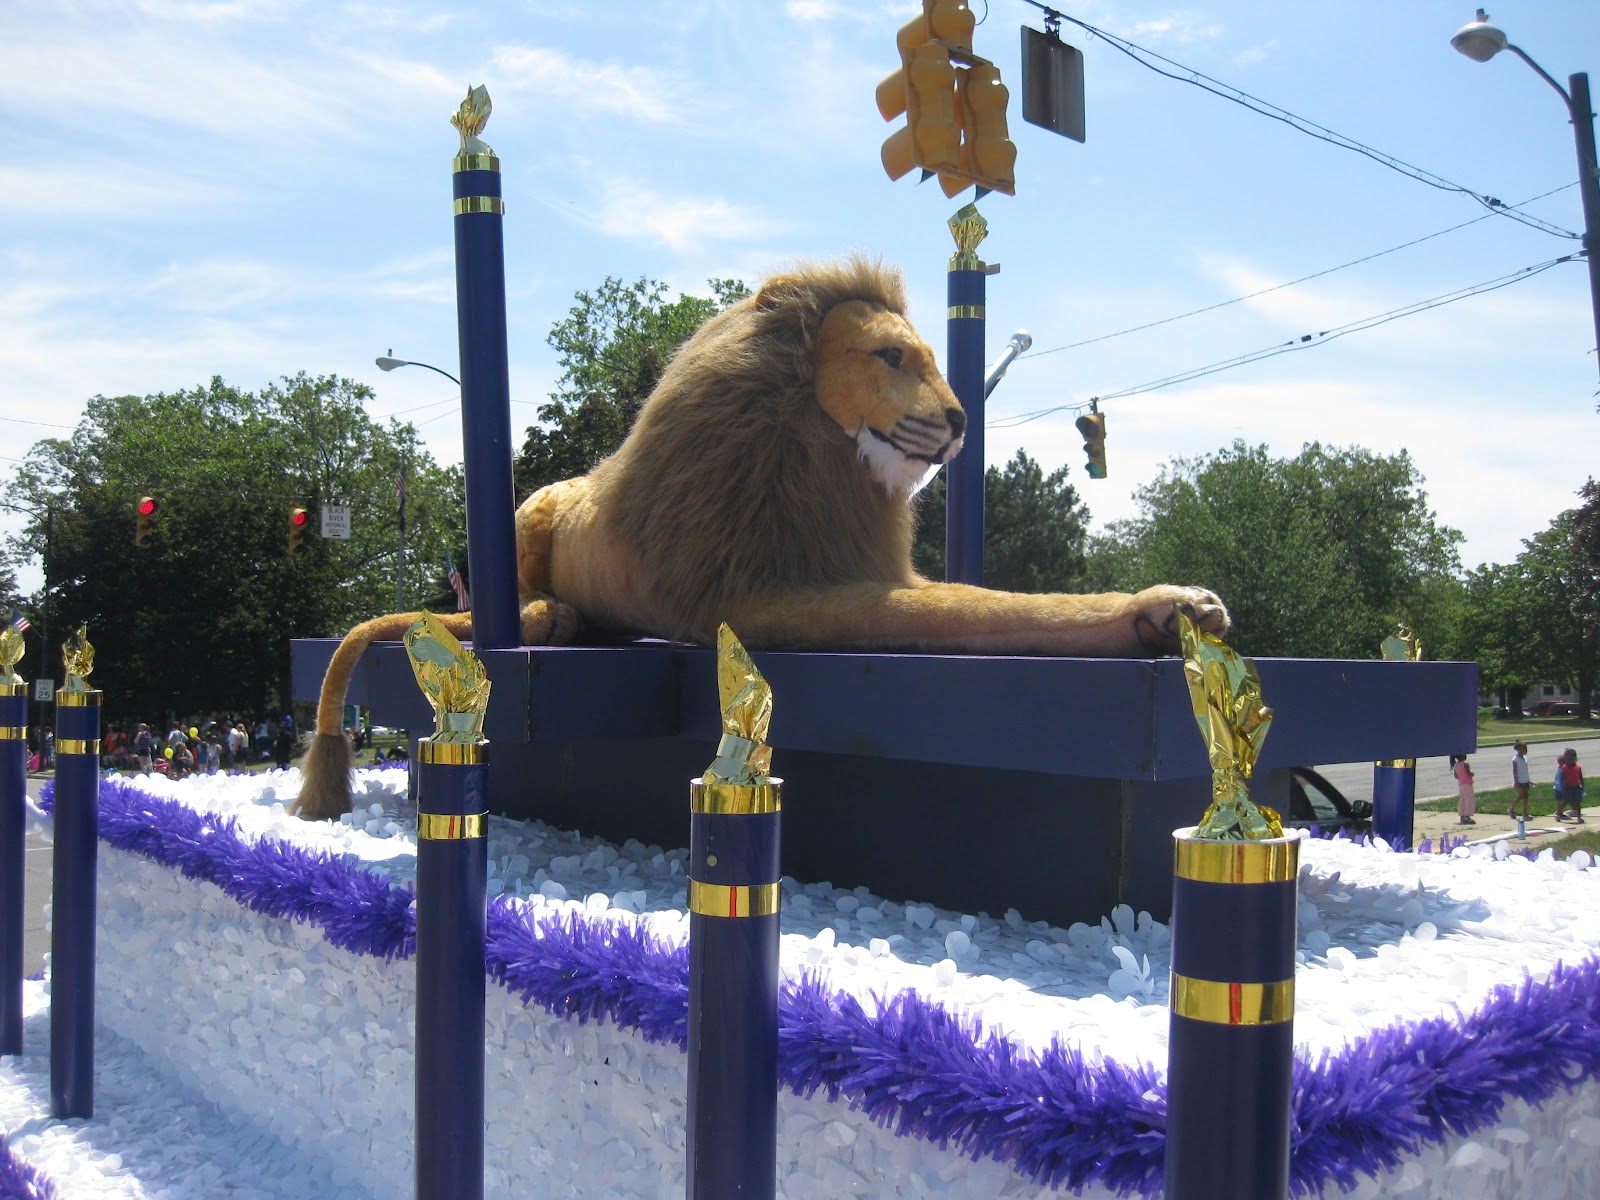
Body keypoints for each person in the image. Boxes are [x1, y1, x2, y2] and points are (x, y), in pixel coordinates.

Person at [1557, 748, 1585, 822]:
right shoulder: (1564, 768)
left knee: (1577, 802)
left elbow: (1580, 777)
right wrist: (1563, 788)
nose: (1570, 760)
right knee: (1564, 801)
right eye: (1567, 759)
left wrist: (1582, 786)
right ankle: (1558, 814)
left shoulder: (1578, 767)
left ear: (1575, 758)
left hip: (1576, 787)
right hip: (1567, 787)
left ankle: (1579, 817)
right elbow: (1562, 779)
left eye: (1571, 758)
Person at [1450, 753, 1477, 825]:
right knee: (1469, 799)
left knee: (1462, 799)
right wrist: (1472, 774)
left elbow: (1456, 776)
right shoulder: (1465, 764)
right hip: (1467, 784)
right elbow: (1469, 773)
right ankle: (1467, 816)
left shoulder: (1456, 765)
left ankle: (1462, 815)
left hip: (1461, 784)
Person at [1509, 741, 1531, 823]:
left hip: (1525, 780)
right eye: (1523, 749)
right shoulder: (1515, 759)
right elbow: (1514, 771)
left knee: (1526, 797)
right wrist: (1516, 781)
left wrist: (1529, 780)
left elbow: (1525, 770)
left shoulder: (1524, 758)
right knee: (1522, 795)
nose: (1525, 750)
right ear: (1518, 749)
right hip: (1519, 780)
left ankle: (1525, 813)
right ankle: (1511, 809)